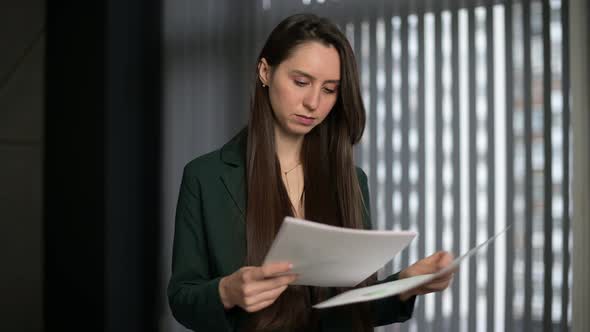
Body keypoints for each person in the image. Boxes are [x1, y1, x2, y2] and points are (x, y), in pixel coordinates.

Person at [168, 13, 454, 332]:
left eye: (330, 89)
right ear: (265, 72)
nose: (313, 103)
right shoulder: (205, 177)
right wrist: (226, 292)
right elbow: (182, 298)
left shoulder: (351, 180)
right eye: (301, 82)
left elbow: (353, 307)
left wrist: (405, 284)